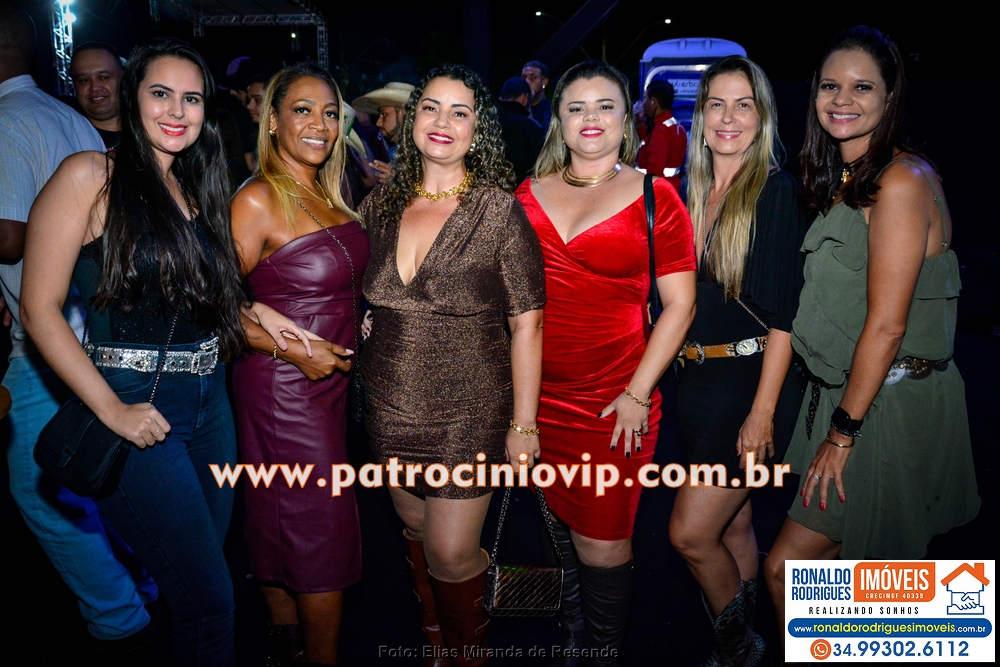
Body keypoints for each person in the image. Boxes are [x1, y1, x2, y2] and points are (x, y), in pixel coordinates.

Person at [19, 37, 307, 666]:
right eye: (161, 94)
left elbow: (198, 292)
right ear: (133, 98)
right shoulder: (89, 176)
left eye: (192, 98)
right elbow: (39, 309)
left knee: (200, 589)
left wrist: (257, 310)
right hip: (134, 407)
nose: (178, 110)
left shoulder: (196, 186)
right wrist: (110, 411)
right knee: (212, 604)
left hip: (210, 408)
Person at [763, 26, 980, 646]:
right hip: (855, 398)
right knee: (868, 594)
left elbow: (887, 325)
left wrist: (843, 434)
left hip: (884, 408)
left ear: (890, 96)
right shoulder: (853, 176)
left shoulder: (900, 182)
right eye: (830, 86)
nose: (842, 99)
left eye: (862, 87)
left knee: (790, 572)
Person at [358, 63, 545, 665]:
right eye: (431, 107)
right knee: (415, 534)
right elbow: (356, 291)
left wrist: (524, 425)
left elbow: (527, 323)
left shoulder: (497, 212)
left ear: (477, 128)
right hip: (389, 405)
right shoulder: (379, 205)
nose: (443, 121)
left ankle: (469, 655)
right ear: (414, 118)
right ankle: (436, 644)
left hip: (469, 411)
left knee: (451, 553)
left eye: (459, 112)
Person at [515, 61, 696, 667]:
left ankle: (602, 653)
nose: (590, 118)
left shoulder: (656, 196)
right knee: (557, 531)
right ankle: (574, 638)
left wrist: (638, 394)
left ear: (627, 119)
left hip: (615, 403)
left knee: (602, 542)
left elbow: (680, 306)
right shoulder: (525, 194)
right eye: (576, 107)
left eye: (605, 106)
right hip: (535, 399)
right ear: (558, 120)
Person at [0, 3, 157, 656]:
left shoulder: (10, 122)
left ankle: (120, 619)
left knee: (44, 490)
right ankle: (143, 580)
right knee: (95, 473)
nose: (94, 88)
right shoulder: (69, 121)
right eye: (84, 77)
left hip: (43, 345)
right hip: (87, 332)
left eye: (105, 78)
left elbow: (11, 239)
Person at [666, 56, 808, 667]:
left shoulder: (774, 191)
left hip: (748, 387)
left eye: (743, 104)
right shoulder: (684, 192)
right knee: (733, 526)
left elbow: (785, 318)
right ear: (699, 117)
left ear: (762, 117)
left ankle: (739, 649)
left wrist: (763, 412)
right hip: (696, 382)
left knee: (689, 534)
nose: (728, 117)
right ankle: (743, 644)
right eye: (716, 104)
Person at [230, 62, 367, 667]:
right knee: (319, 528)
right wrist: (289, 351)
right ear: (273, 120)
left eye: (330, 113)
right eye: (303, 110)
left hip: (327, 389)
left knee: (285, 517)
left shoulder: (329, 192)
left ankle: (284, 645)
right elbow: (211, 306)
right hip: (284, 387)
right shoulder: (257, 197)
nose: (320, 124)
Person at [353, 81, 414, 184]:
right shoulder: (395, 151)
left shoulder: (423, 152)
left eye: (384, 114)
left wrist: (399, 182)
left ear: (402, 114)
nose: (378, 123)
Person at [70, 41, 124, 149]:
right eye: (84, 80)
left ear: (123, 78)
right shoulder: (65, 138)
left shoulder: (151, 130)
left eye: (104, 77)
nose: (94, 87)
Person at [636, 80, 686, 192]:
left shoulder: (661, 131)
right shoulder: (675, 126)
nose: (643, 104)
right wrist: (640, 125)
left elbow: (654, 172)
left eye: (645, 98)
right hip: (671, 190)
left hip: (657, 194)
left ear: (653, 102)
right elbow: (650, 142)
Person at [495, 77, 544, 183]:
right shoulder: (530, 127)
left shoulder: (487, 121)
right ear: (525, 98)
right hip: (522, 189)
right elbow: (540, 167)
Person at [521, 60, 552, 127]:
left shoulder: (550, 108)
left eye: (533, 77)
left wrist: (527, 105)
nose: (527, 82)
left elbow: (540, 132)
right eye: (524, 77)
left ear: (544, 82)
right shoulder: (517, 106)